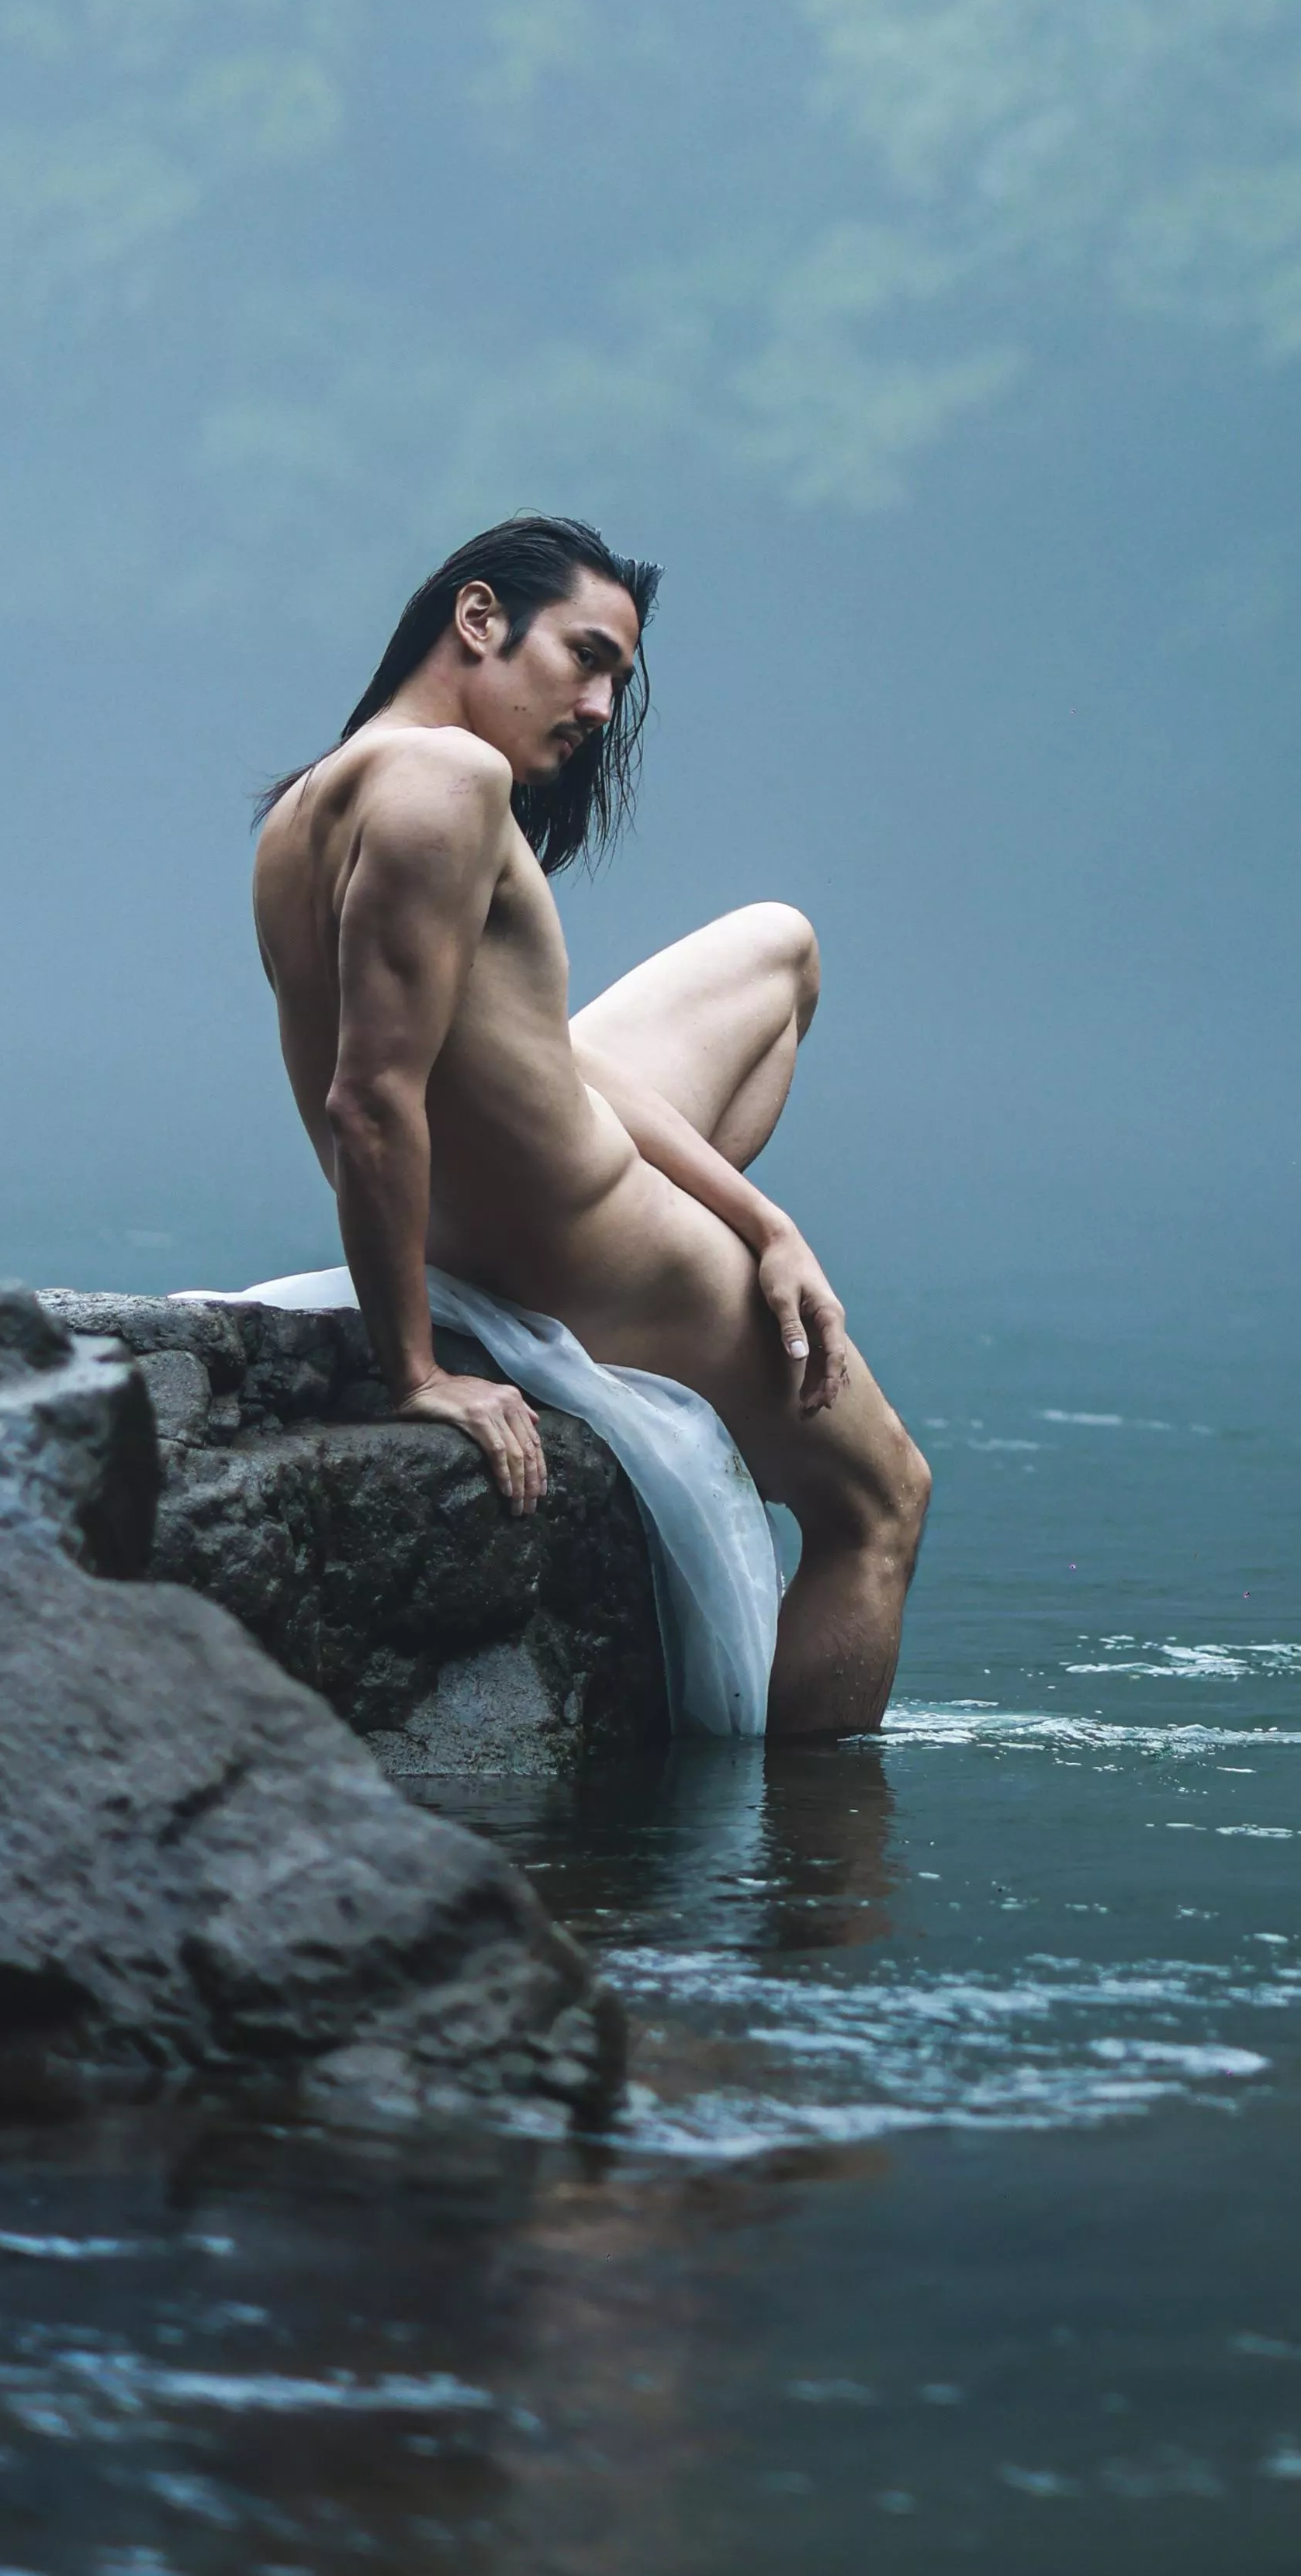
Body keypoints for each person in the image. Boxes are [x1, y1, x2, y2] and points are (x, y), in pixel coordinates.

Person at [249, 514, 929, 1736]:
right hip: (593, 1257)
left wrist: (764, 1224)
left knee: (778, 946)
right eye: (587, 656)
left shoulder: (310, 798)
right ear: (478, 620)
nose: (604, 706)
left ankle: (730, 1239)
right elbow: (369, 1099)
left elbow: (529, 1063)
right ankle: (803, 1868)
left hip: (533, 1198)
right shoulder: (450, 782)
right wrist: (417, 1374)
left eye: (619, 675)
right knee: (880, 1506)